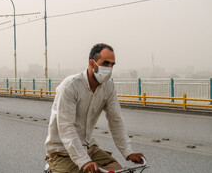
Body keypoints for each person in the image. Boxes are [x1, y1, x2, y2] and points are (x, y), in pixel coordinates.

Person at [45, 43, 145, 173]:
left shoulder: (109, 87)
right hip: (61, 151)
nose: (109, 68)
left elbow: (116, 121)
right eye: (105, 63)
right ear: (92, 63)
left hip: (89, 149)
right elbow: (66, 127)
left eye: (112, 65)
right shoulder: (70, 86)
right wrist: (83, 160)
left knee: (118, 170)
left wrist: (127, 152)